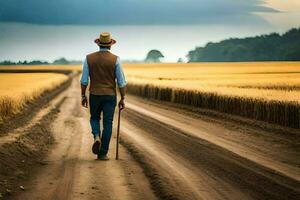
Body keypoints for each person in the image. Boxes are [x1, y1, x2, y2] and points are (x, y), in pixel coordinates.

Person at [80, 32, 127, 160]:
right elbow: (121, 82)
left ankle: (96, 135)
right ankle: (103, 153)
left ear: (98, 44)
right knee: (108, 123)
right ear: (110, 45)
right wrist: (123, 98)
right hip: (110, 96)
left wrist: (83, 95)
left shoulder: (88, 58)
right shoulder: (116, 59)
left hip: (94, 94)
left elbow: (84, 80)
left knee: (94, 118)